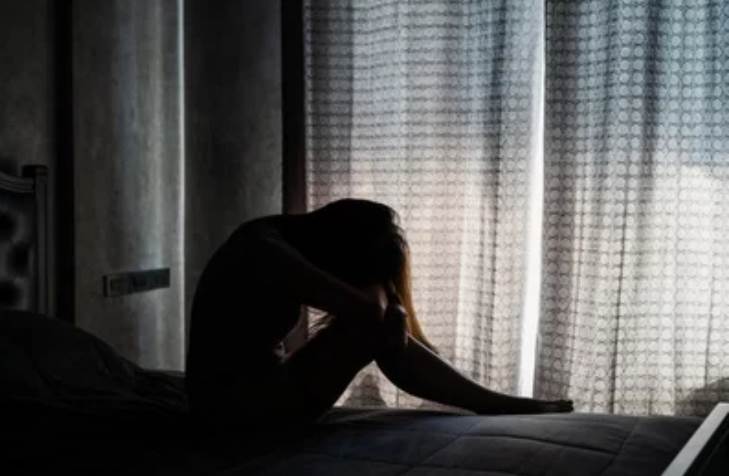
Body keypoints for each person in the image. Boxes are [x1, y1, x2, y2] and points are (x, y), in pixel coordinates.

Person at [185, 198, 572, 430]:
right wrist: (383, 301)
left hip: (251, 399)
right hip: (237, 414)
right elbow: (372, 313)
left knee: (377, 325)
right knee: (373, 326)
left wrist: (383, 295)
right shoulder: (265, 251)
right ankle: (491, 402)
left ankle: (490, 401)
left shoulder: (276, 235)